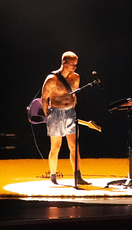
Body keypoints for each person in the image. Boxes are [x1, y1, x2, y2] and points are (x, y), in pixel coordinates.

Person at [42, 51, 89, 185]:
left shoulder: (75, 78)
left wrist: (72, 108)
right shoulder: (51, 79)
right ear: (64, 63)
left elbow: (74, 95)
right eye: (72, 64)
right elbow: (44, 99)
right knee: (56, 146)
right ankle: (53, 175)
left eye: (76, 64)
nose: (75, 67)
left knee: (74, 145)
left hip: (70, 113)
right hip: (55, 113)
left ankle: (77, 175)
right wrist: (48, 116)